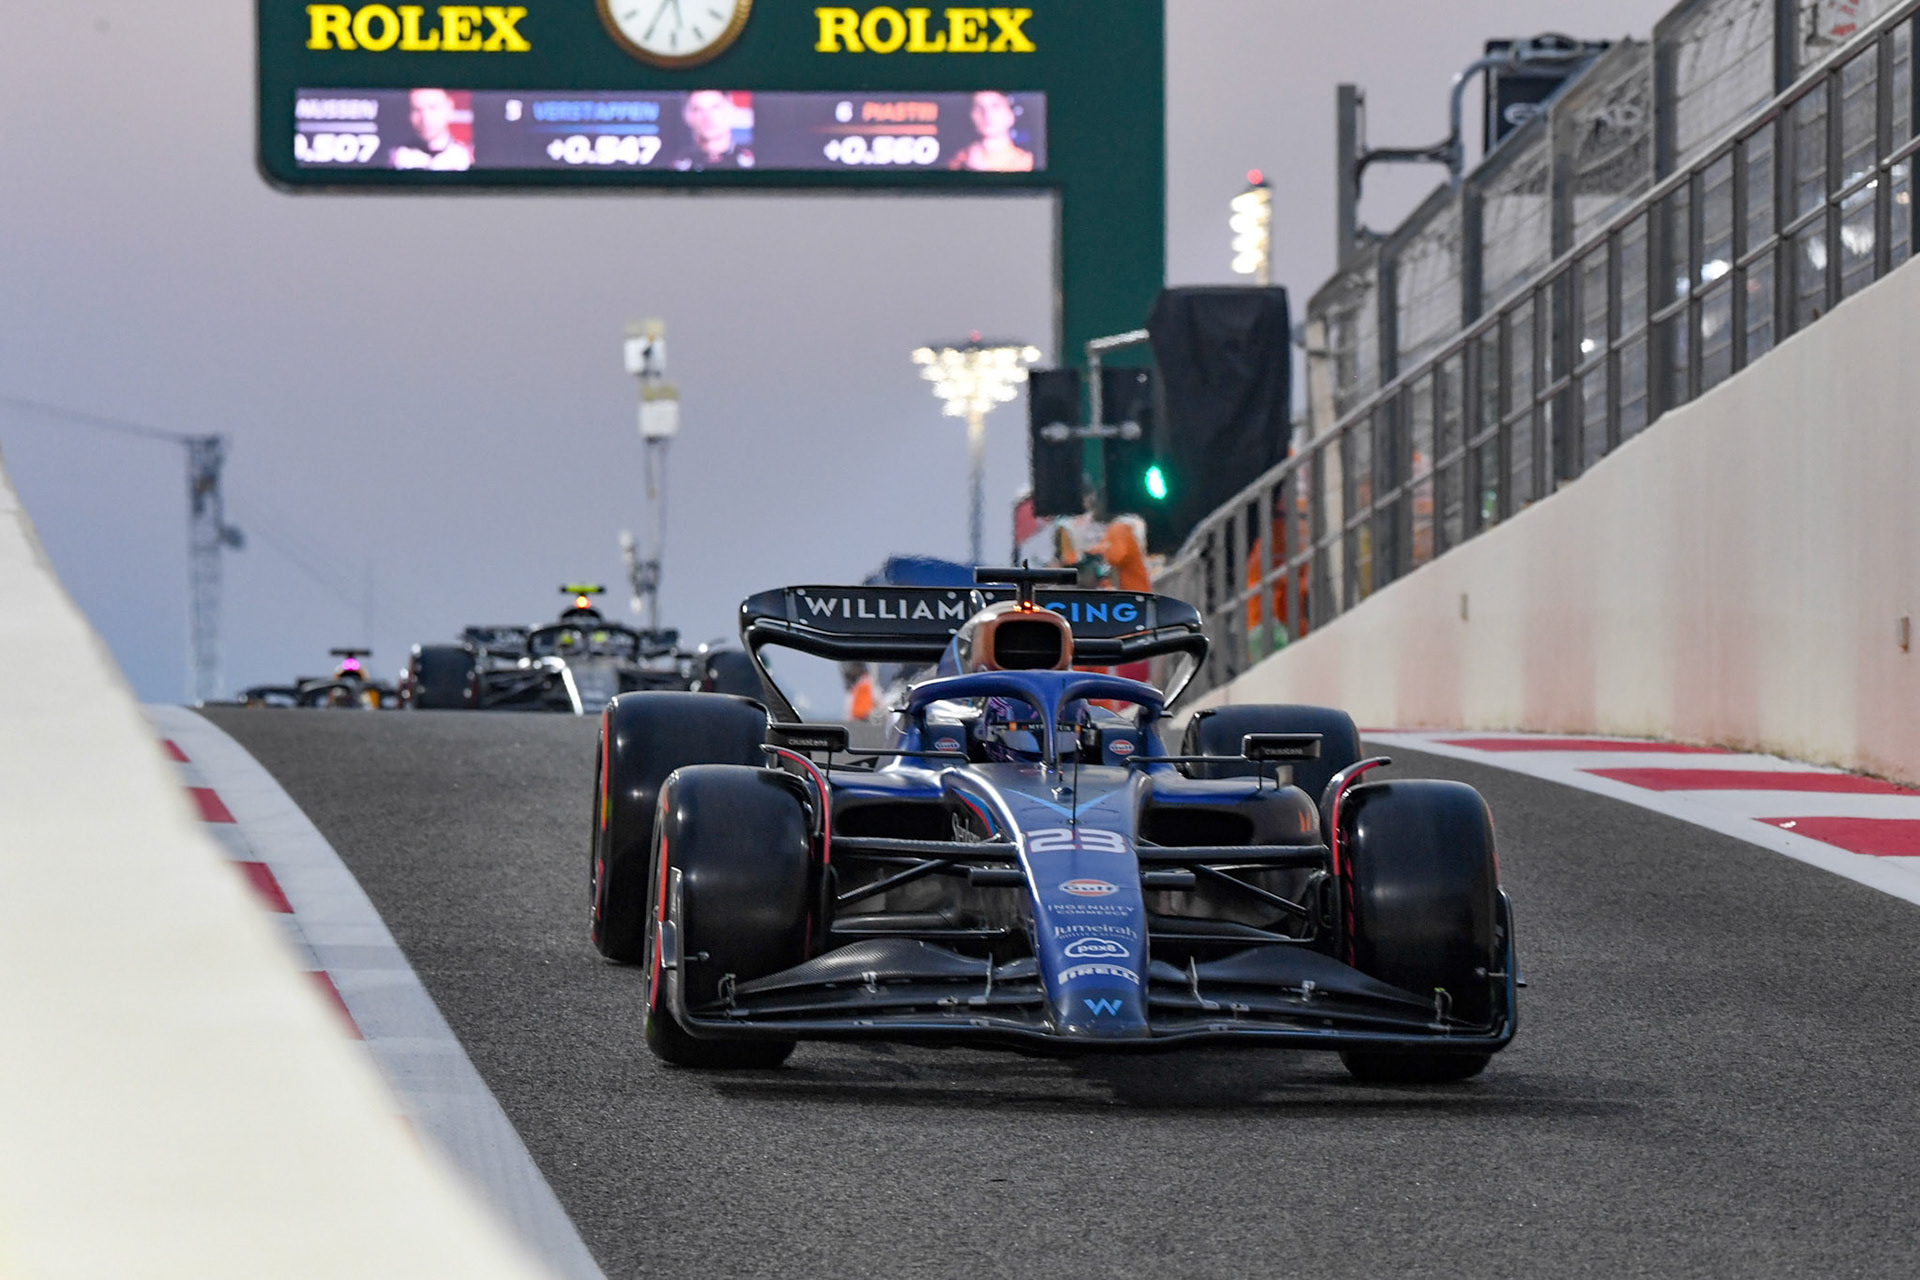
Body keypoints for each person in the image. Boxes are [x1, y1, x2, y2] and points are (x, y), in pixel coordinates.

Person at [947, 91, 1033, 172]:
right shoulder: (959, 161)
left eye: (995, 106)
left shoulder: (1026, 163)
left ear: (1011, 115)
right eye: (978, 107)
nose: (987, 114)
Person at [390, 89, 472, 170]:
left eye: (433, 108)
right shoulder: (399, 157)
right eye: (417, 110)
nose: (425, 118)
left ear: (449, 107)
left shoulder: (466, 157)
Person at [674, 90, 754, 170]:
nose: (707, 117)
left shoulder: (751, 162)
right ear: (686, 116)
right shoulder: (679, 166)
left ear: (730, 110)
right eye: (697, 109)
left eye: (715, 107)